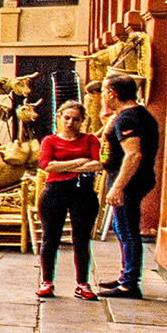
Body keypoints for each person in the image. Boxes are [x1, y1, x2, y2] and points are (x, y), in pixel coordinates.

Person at [37, 98, 106, 300]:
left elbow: (96, 165)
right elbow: (46, 166)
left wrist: (62, 165)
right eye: (66, 118)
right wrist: (78, 162)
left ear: (82, 120)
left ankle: (82, 283)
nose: (70, 123)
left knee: (81, 239)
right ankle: (47, 281)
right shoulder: (50, 140)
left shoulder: (90, 140)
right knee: (50, 237)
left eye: (75, 119)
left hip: (82, 192)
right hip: (55, 190)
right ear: (59, 118)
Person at [101, 75, 160, 299]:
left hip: (130, 182)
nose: (103, 97)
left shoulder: (128, 119)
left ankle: (129, 283)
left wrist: (117, 187)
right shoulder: (139, 115)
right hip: (137, 180)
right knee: (122, 228)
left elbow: (133, 154)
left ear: (112, 94)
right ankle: (126, 275)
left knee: (127, 231)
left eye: (105, 92)